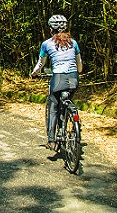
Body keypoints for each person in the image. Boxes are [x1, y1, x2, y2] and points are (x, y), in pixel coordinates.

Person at [31, 14, 82, 150]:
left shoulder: (46, 44)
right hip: (73, 78)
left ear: (51, 29)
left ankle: (52, 140)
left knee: (53, 107)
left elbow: (41, 63)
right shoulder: (74, 43)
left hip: (58, 78)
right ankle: (67, 124)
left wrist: (34, 73)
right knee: (66, 102)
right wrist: (79, 71)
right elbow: (79, 64)